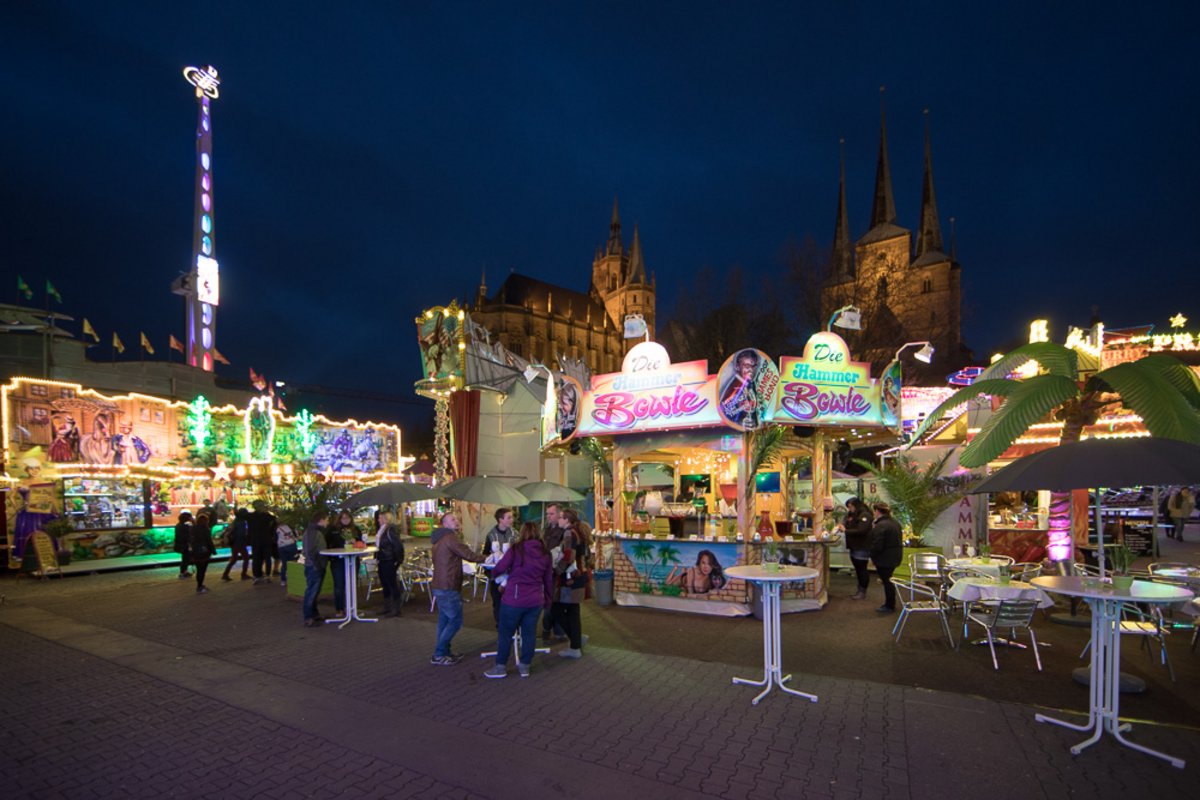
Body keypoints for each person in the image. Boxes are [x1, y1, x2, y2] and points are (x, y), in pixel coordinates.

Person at [484, 522, 554, 679]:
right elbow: (548, 579)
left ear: (522, 533)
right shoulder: (546, 553)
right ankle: (525, 666)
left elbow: (500, 567)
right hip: (535, 600)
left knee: (505, 633)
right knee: (529, 633)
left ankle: (500, 667)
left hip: (514, 599)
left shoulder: (516, 549)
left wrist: (494, 574)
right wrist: (548, 600)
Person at [429, 512, 484, 665]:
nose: (456, 521)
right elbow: (469, 555)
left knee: (444, 620)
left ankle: (444, 652)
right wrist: (488, 558)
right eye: (452, 519)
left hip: (439, 584)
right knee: (455, 621)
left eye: (456, 518)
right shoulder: (451, 538)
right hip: (449, 585)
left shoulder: (438, 540)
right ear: (445, 524)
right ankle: (439, 653)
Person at [550, 509, 590, 658]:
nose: (558, 520)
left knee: (556, 609)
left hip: (570, 578)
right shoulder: (580, 532)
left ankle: (575, 641)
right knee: (573, 610)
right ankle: (576, 642)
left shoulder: (569, 534)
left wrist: (556, 571)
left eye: (561, 517)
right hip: (580, 575)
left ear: (567, 520)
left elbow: (568, 556)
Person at [482, 507, 516, 627]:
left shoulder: (515, 534)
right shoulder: (491, 535)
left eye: (512, 517)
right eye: (509, 517)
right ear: (500, 520)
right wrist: (490, 573)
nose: (512, 520)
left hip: (512, 574)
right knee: (498, 602)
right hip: (496, 574)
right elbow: (485, 554)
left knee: (512, 601)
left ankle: (511, 625)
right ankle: (500, 625)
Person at [324, 510, 362, 615]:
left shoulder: (356, 529)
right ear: (339, 519)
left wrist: (355, 541)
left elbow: (361, 542)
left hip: (353, 559)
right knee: (339, 585)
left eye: (347, 518)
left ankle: (352, 607)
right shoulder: (332, 530)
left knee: (352, 584)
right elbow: (326, 543)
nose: (346, 520)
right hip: (338, 561)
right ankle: (339, 608)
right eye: (343, 518)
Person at [868, 502, 903, 613]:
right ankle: (890, 603)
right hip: (895, 555)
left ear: (877, 511)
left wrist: (872, 556)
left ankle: (889, 605)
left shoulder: (881, 525)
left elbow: (877, 544)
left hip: (884, 558)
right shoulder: (895, 523)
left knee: (887, 581)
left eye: (874, 511)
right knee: (888, 580)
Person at [840, 498, 874, 600]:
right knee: (858, 569)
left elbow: (861, 530)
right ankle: (860, 589)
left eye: (850, 507)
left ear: (856, 505)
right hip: (855, 546)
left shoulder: (865, 515)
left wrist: (845, 530)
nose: (849, 509)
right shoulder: (854, 515)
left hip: (862, 546)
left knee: (861, 569)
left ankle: (862, 590)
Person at [302, 511, 331, 627]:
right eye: (327, 520)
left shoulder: (312, 531)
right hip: (314, 566)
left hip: (314, 565)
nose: (328, 522)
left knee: (314, 591)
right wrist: (318, 564)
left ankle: (314, 614)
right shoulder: (313, 532)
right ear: (321, 520)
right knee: (312, 591)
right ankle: (308, 616)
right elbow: (310, 551)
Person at [720, 349, 761, 429]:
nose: (751, 369)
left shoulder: (750, 384)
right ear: (737, 367)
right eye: (746, 366)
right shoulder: (735, 387)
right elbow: (724, 411)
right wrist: (740, 422)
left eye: (753, 365)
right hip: (737, 432)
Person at [375, 510, 405, 617]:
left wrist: (398, 560)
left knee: (391, 583)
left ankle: (395, 607)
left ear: (386, 519)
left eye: (380, 518)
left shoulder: (390, 531)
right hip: (382, 559)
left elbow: (398, 546)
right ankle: (388, 606)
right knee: (385, 583)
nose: (378, 520)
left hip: (388, 559)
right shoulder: (383, 530)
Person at [248, 500, 278, 584]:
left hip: (255, 540)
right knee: (267, 558)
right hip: (266, 539)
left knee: (256, 559)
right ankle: (267, 575)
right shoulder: (267, 516)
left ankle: (256, 576)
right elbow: (276, 519)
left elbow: (239, 514)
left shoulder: (250, 516)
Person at [221, 507, 251, 581]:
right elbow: (241, 534)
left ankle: (225, 574)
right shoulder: (241, 522)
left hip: (234, 543)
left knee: (234, 559)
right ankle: (243, 574)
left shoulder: (236, 521)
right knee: (246, 558)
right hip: (239, 543)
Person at [189, 511, 216, 594]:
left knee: (199, 569)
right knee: (202, 570)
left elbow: (190, 540)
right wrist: (213, 550)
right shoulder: (205, 529)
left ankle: (199, 585)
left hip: (195, 551)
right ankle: (200, 586)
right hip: (204, 551)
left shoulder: (192, 528)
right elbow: (209, 541)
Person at [275, 520, 299, 588]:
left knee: (284, 564)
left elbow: (275, 538)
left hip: (281, 547)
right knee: (293, 562)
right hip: (291, 546)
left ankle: (283, 580)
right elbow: (297, 536)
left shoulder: (276, 529)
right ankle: (293, 578)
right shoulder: (291, 527)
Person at [173, 511, 194, 579]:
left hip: (181, 544)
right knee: (185, 559)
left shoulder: (179, 525)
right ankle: (183, 572)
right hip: (184, 545)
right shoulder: (184, 526)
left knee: (185, 558)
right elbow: (187, 536)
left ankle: (184, 571)